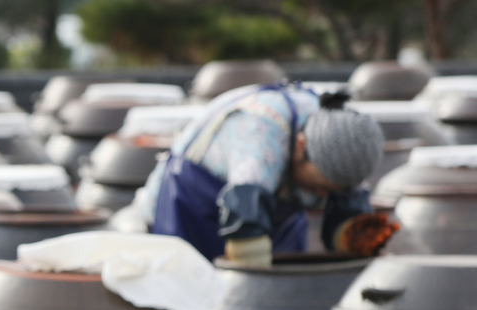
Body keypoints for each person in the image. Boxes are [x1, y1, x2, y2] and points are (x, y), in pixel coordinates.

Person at [136, 84, 396, 266]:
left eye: (331, 192)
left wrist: (354, 235)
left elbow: (346, 208)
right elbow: (246, 233)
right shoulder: (260, 135)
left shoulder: (343, 135)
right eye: (318, 188)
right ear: (301, 145)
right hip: (190, 205)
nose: (321, 198)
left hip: (269, 208)